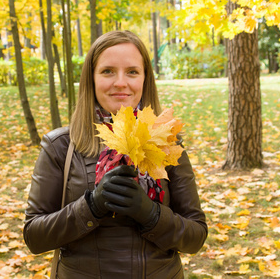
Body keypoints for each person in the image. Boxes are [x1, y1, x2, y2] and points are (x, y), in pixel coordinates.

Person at [23, 30, 207, 278]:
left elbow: (194, 238)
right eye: (108, 71)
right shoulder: (60, 146)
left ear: (144, 79)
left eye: (132, 71)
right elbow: (34, 237)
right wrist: (91, 206)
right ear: (92, 79)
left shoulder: (166, 142)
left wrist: (150, 214)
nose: (121, 82)